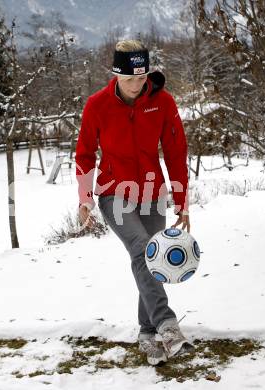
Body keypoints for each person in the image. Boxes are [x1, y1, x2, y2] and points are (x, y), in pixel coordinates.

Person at [75, 39, 192, 365]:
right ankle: (168, 325)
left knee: (152, 261)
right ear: (116, 74)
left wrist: (182, 201)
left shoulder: (163, 102)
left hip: (152, 194)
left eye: (141, 78)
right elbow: (84, 154)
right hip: (115, 193)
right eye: (129, 79)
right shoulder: (97, 105)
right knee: (143, 249)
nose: (137, 86)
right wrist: (85, 198)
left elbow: (175, 152)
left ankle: (147, 333)